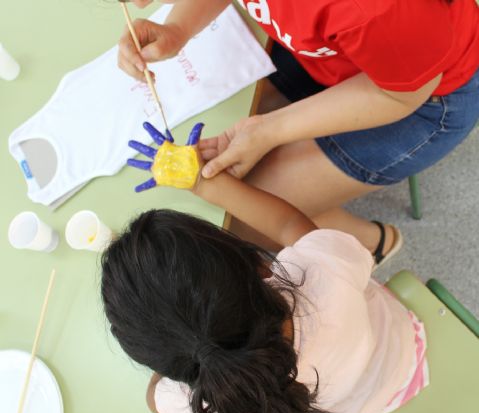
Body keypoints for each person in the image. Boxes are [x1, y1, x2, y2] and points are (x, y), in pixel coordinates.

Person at [101, 162, 429, 413]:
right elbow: (288, 223)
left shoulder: (207, 393)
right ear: (259, 264)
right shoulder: (320, 269)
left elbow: (154, 400)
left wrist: (179, 346)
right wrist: (205, 184)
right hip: (405, 350)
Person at [118, 0, 479, 258]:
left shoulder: (376, 8)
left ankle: (369, 242)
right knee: (235, 182)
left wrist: (268, 131)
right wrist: (178, 28)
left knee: (234, 226)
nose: (138, 4)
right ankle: (319, 207)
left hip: (422, 99)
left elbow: (399, 95)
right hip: (332, 53)